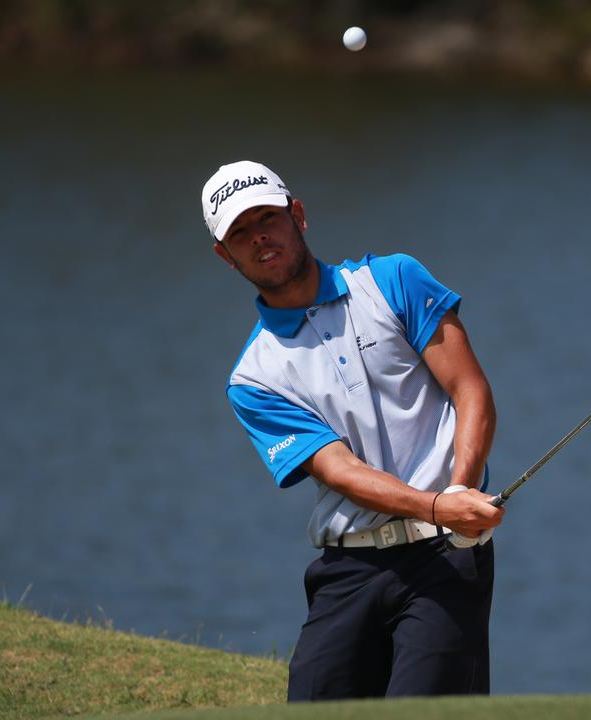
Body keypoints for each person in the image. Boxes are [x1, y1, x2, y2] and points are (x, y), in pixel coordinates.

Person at [201, 160, 505, 700]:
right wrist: (437, 505)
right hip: (350, 567)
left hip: (445, 555)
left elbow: (470, 391)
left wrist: (458, 492)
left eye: (267, 218)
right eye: (240, 234)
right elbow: (340, 471)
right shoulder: (253, 378)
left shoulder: (393, 280)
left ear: (298, 215)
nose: (259, 239)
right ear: (225, 256)